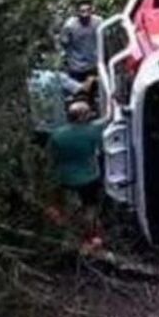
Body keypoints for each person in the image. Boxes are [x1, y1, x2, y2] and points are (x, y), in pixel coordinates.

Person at [47, 101, 104, 239]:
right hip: (89, 178)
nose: (91, 115)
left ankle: (66, 227)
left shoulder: (57, 134)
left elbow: (50, 157)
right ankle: (90, 236)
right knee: (90, 207)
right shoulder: (93, 131)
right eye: (88, 113)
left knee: (66, 204)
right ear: (81, 117)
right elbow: (102, 148)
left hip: (65, 178)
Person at [59, 0, 102, 82]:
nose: (85, 14)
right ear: (77, 12)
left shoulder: (98, 22)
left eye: (87, 11)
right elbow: (64, 42)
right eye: (82, 11)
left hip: (93, 64)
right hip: (76, 66)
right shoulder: (70, 25)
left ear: (91, 11)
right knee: (79, 90)